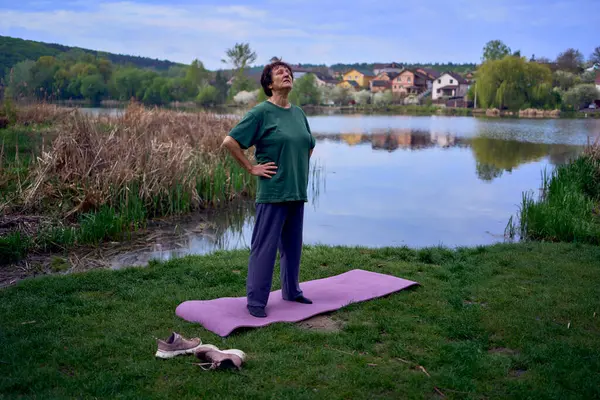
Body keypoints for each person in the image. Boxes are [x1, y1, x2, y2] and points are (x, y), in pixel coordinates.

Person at [221, 60, 316, 318]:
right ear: (269, 84)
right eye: (280, 72)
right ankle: (256, 302)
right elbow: (230, 142)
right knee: (265, 247)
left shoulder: (298, 114)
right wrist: (252, 168)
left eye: (289, 72)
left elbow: (309, 144)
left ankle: (291, 290)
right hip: (273, 191)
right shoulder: (261, 113)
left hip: (296, 191)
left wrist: (296, 168)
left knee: (293, 246)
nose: (286, 74)